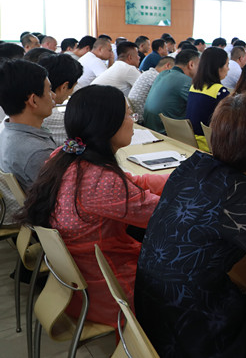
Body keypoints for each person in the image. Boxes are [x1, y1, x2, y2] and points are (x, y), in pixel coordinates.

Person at [136, 90, 246, 357]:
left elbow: (209, 215)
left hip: (155, 314)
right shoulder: (238, 190)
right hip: (195, 333)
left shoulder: (193, 165)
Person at [17, 85, 167, 327]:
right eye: (129, 115)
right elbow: (166, 215)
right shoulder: (101, 181)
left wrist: (178, 177)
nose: (133, 121)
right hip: (111, 292)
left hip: (78, 285)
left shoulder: (64, 156)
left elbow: (132, 183)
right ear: (108, 125)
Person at [0, 60, 56, 223]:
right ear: (33, 100)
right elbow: (59, 199)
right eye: (49, 90)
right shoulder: (37, 151)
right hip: (47, 220)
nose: (53, 96)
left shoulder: (6, 129)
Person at [142, 49, 200, 134]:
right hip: (165, 132)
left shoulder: (162, 74)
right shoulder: (185, 81)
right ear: (191, 64)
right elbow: (199, 105)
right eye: (199, 66)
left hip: (149, 126)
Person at [186, 47, 230, 151]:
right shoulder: (220, 91)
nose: (228, 69)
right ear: (218, 67)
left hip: (191, 140)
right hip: (209, 144)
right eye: (227, 65)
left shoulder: (194, 87)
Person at [39, 53, 84, 145]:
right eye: (73, 86)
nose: (71, 92)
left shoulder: (27, 108)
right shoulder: (60, 120)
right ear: (64, 87)